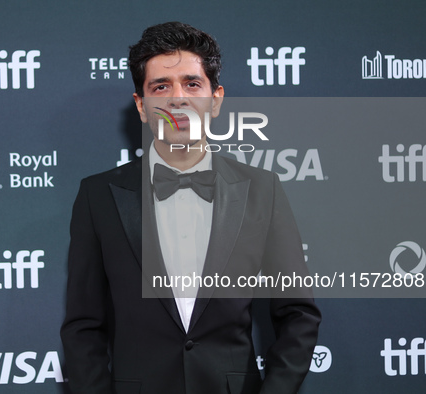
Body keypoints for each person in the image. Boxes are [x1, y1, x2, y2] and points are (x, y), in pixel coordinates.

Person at [61, 21, 321, 394]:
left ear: (215, 100)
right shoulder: (98, 195)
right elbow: (83, 326)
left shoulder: (263, 190)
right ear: (142, 106)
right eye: (161, 86)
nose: (177, 98)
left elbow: (298, 313)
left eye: (192, 84)